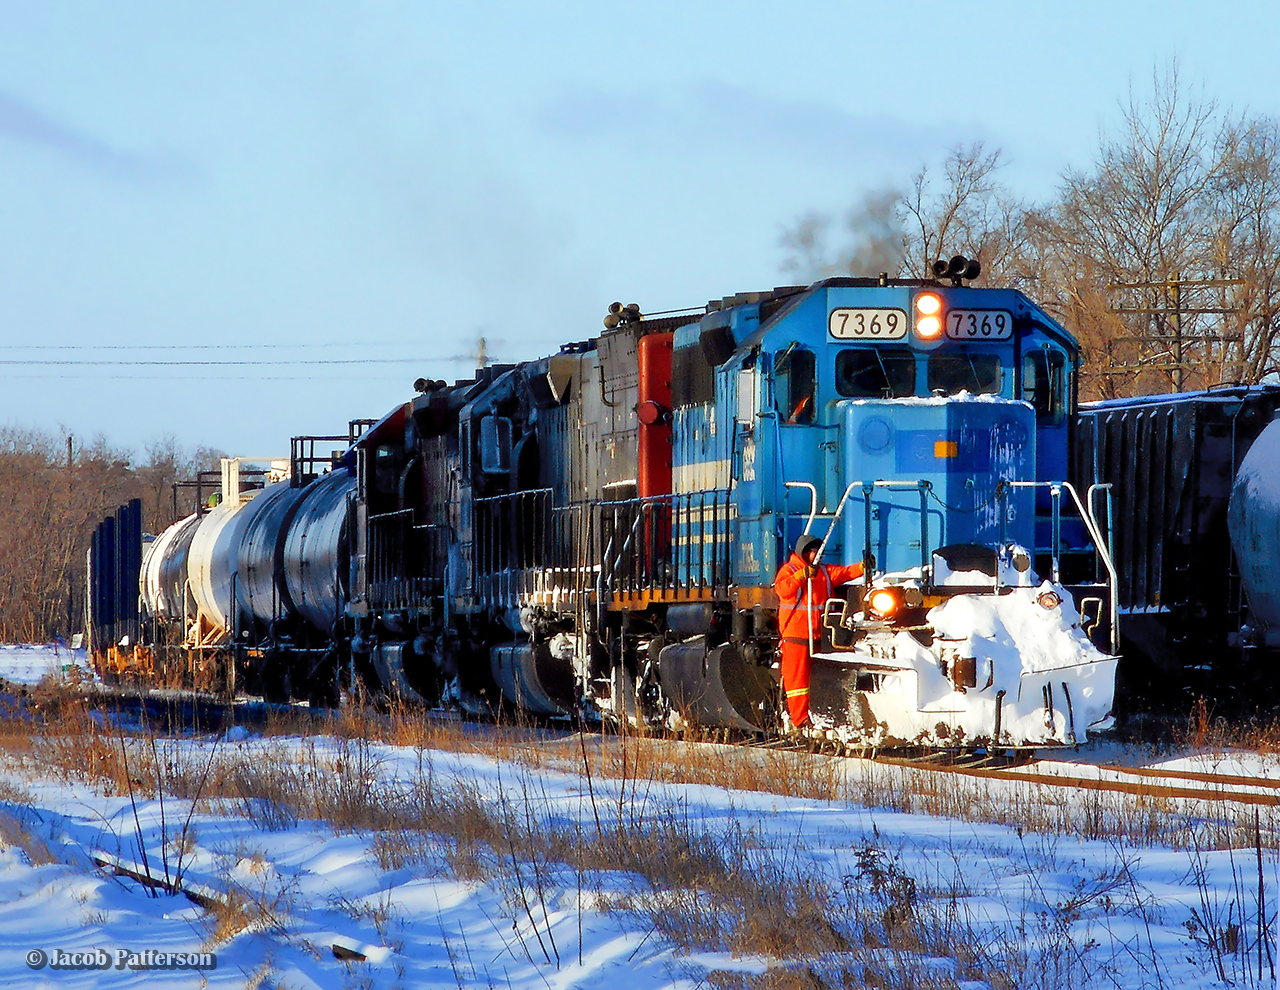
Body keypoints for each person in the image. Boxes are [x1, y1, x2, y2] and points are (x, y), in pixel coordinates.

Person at [773, 534, 865, 727]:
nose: (819, 555)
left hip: (820, 635)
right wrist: (801, 576)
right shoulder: (789, 570)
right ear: (805, 552)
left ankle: (821, 716)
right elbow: (783, 589)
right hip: (795, 633)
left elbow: (845, 573)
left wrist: (863, 567)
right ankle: (800, 720)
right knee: (796, 680)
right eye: (815, 551)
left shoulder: (825, 571)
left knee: (820, 678)